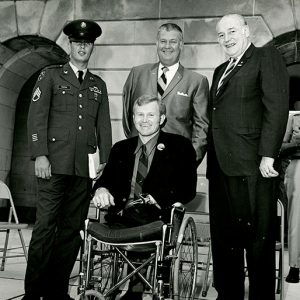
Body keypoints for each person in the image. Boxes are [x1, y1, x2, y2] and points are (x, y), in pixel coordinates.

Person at [23, 19, 112, 300]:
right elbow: (36, 118)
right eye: (77, 42)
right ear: (70, 45)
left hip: (82, 171)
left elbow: (104, 126)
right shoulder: (50, 76)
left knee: (71, 232)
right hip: (52, 167)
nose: (82, 46)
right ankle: (33, 292)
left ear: (92, 47)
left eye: (87, 43)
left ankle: (56, 291)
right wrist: (40, 155)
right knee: (45, 229)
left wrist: (105, 161)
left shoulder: (98, 85)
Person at [207, 14, 289, 300]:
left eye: (232, 31)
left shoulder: (266, 58)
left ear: (245, 31)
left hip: (254, 167)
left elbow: (276, 108)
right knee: (225, 241)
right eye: (221, 35)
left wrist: (268, 155)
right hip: (220, 169)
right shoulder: (219, 70)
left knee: (257, 244)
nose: (227, 39)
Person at [92, 94, 197, 300]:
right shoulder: (121, 148)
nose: (145, 120)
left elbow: (188, 189)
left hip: (157, 218)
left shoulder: (180, 147)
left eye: (151, 114)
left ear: (162, 118)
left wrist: (159, 198)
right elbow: (104, 180)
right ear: (133, 118)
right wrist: (101, 190)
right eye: (140, 114)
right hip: (121, 218)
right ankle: (127, 287)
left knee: (141, 220)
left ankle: (136, 287)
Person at [122, 23, 209, 165]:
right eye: (163, 41)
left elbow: (202, 129)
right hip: (139, 159)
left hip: (176, 161)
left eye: (173, 42)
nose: (167, 46)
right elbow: (127, 118)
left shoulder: (197, 81)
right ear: (156, 43)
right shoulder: (137, 74)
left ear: (181, 45)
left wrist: (189, 162)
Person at [282, 101, 300, 283]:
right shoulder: (294, 119)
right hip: (298, 165)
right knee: (296, 219)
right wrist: (294, 144)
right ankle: (295, 266)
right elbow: (280, 147)